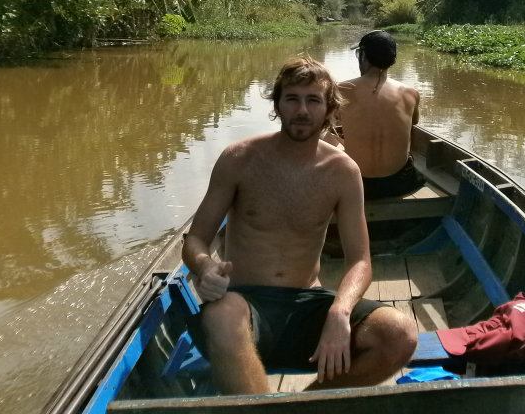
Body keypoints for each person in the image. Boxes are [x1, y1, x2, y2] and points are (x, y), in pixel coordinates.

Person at [181, 55, 417, 395]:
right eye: (292, 99)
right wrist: (204, 267)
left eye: (313, 100)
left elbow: (361, 261)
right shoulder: (240, 158)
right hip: (246, 303)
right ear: (277, 104)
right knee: (220, 316)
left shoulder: (343, 172)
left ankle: (308, 402)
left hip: (308, 302)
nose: (302, 111)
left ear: (330, 108)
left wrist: (340, 310)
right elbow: (196, 240)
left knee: (400, 334)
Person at [333, 30, 423, 200]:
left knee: (325, 135)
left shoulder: (341, 89)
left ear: (363, 57)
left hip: (357, 182)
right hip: (399, 183)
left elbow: (327, 121)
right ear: (393, 59)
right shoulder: (411, 93)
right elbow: (414, 122)